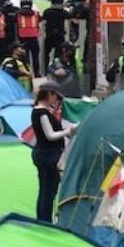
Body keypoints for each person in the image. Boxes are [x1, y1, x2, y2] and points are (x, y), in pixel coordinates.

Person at [32, 84, 75, 222]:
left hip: (42, 153)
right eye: (55, 96)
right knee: (49, 192)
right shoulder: (42, 113)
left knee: (44, 190)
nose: (56, 100)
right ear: (49, 94)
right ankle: (45, 221)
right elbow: (50, 135)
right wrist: (67, 132)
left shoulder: (40, 111)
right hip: (48, 155)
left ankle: (42, 219)